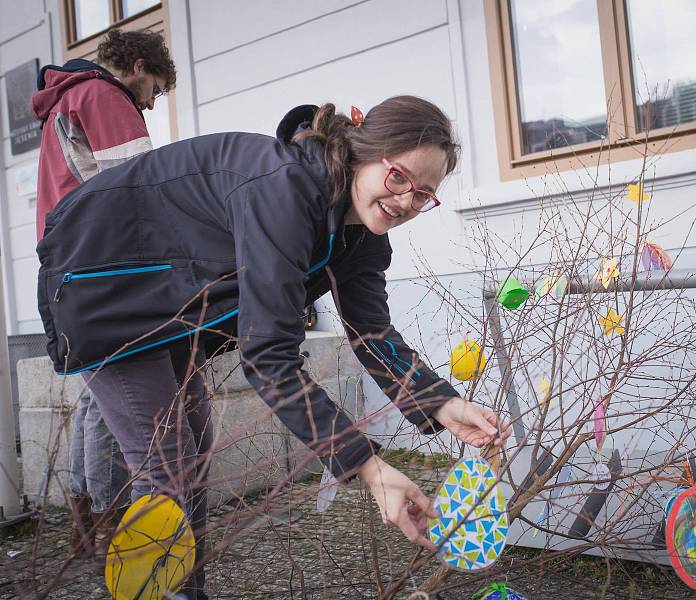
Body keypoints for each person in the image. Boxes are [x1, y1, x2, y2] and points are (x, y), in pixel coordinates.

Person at [36, 96, 508, 599]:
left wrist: (442, 401)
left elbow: (372, 334)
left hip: (168, 303)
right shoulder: (284, 190)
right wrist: (369, 468)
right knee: (166, 466)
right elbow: (268, 356)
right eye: (399, 178)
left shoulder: (362, 237)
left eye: (423, 195)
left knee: (192, 449)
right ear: (363, 152)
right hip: (103, 288)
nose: (406, 202)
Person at [30, 27, 176, 565]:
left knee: (96, 401)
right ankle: (121, 529)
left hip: (69, 268)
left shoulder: (64, 100)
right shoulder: (103, 96)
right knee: (143, 434)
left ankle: (86, 520)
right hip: (107, 270)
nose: (151, 103)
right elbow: (145, 192)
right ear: (137, 66)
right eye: (154, 90)